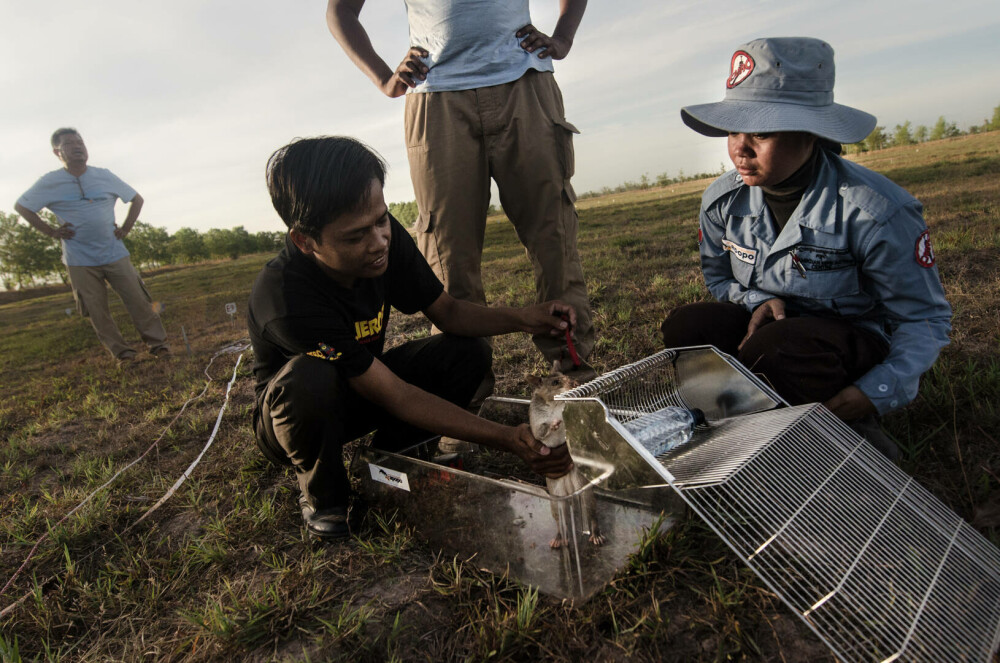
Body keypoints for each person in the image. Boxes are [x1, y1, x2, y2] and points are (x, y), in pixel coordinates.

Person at [248, 136, 575, 540]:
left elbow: (449, 312)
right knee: (309, 376)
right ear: (305, 240)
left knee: (466, 352)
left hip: (363, 385)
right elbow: (395, 395)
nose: (379, 241)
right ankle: (325, 499)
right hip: (298, 417)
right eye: (355, 236)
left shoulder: (383, 238)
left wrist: (525, 319)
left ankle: (394, 456)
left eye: (381, 220)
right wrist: (507, 438)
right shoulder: (286, 298)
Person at [660, 37, 952, 460]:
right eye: (732, 130)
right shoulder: (722, 201)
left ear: (811, 134)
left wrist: (877, 389)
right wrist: (758, 299)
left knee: (777, 348)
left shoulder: (875, 211)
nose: (739, 149)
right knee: (686, 328)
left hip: (848, 340)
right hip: (769, 330)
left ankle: (840, 427)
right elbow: (719, 276)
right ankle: (739, 419)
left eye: (761, 132)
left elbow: (924, 316)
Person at [326, 0, 596, 395]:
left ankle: (576, 381)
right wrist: (384, 77)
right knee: (449, 256)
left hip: (524, 82)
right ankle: (465, 395)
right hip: (436, 98)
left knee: (553, 238)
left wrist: (564, 37)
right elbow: (340, 11)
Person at [15, 128, 169, 365]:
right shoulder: (49, 182)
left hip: (114, 252)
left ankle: (159, 346)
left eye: (81, 142)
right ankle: (123, 354)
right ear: (57, 152)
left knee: (138, 299)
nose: (78, 147)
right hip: (79, 259)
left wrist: (126, 229)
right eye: (70, 144)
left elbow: (136, 199)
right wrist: (51, 231)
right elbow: (22, 207)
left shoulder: (103, 175)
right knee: (96, 311)